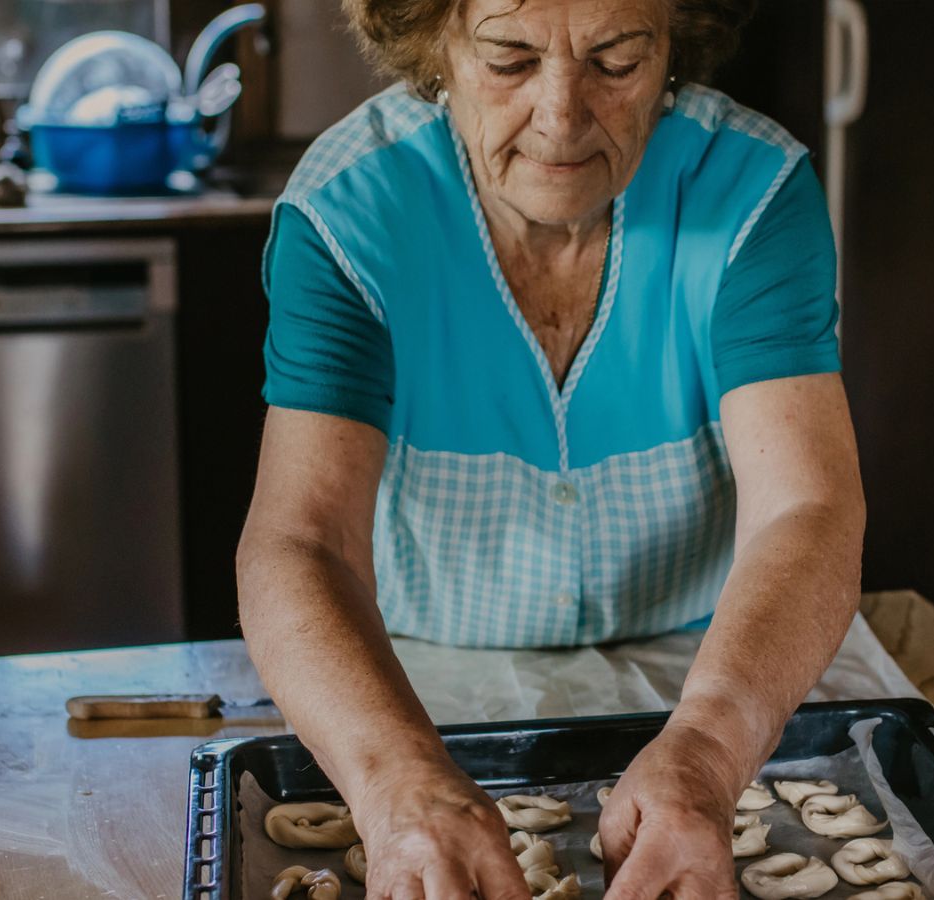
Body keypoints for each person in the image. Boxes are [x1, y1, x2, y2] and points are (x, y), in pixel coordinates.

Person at [236, 0, 865, 896]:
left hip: (716, 677)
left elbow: (807, 506)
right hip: (413, 695)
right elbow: (302, 540)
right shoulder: (353, 213)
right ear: (435, 48)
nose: (562, 117)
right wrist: (396, 782)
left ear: (675, 46)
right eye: (509, 59)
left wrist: (709, 752)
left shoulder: (750, 190)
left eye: (617, 61)